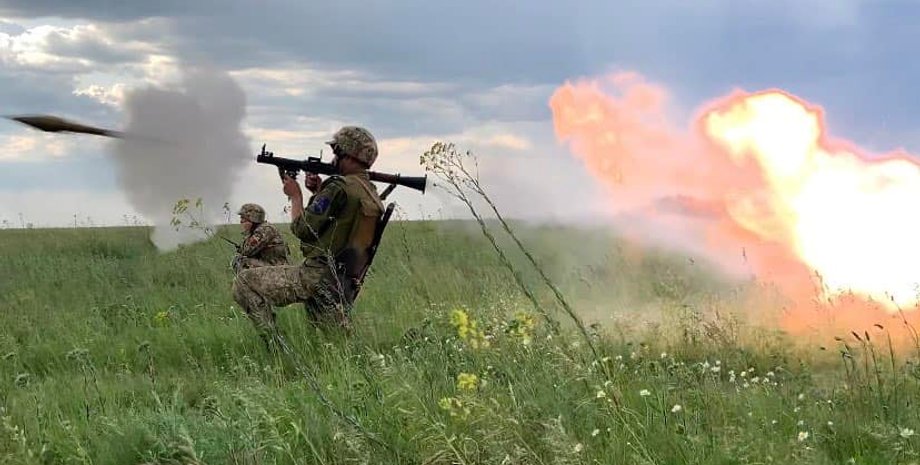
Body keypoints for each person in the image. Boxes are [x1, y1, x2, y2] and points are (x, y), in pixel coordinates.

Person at [231, 126, 385, 350]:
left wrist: (296, 196)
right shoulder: (368, 190)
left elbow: (303, 229)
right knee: (339, 346)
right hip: (343, 278)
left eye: (337, 153)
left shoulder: (338, 188)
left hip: (317, 275)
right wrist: (318, 191)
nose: (334, 158)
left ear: (348, 154)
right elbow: (338, 226)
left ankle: (277, 348)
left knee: (243, 281)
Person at [231, 203, 291, 274]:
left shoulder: (264, 230)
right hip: (275, 267)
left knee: (240, 261)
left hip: (278, 269)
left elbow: (247, 251)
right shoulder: (261, 229)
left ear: (252, 219)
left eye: (243, 218)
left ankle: (249, 284)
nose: (241, 221)